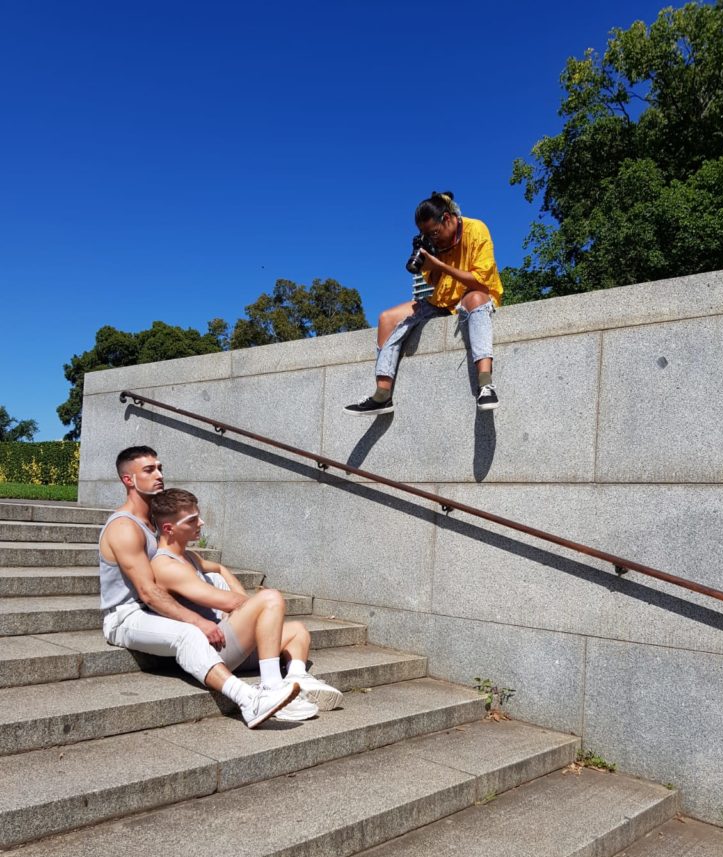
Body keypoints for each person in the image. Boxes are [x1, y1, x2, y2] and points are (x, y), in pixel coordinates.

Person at [99, 446, 302, 728]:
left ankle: (286, 683)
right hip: (126, 615)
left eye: (160, 468)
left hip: (153, 611)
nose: (159, 475)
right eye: (149, 470)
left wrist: (218, 570)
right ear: (128, 480)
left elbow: (197, 564)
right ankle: (248, 700)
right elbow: (147, 591)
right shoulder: (125, 527)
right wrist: (197, 620)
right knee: (188, 634)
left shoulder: (152, 525)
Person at [149, 487, 344, 715]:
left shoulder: (189, 556)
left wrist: (229, 579)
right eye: (192, 520)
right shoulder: (167, 566)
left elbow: (219, 568)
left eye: (198, 516)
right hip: (213, 649)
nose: (201, 522)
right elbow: (232, 603)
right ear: (168, 528)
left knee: (298, 630)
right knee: (270, 598)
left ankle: (298, 678)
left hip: (229, 642)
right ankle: (271, 687)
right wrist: (251, 608)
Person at [344, 191, 503, 416]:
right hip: (442, 302)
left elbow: (480, 281)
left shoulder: (476, 229)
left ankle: (485, 384)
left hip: (475, 293)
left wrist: (439, 264)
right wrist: (428, 256)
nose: (433, 238)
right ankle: (382, 395)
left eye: (434, 232)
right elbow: (436, 281)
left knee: (475, 299)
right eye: (427, 234)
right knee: (386, 318)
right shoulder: (435, 243)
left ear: (447, 219)